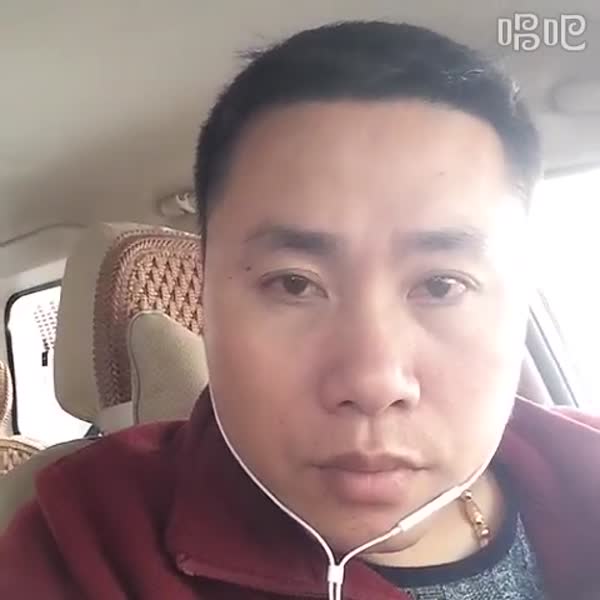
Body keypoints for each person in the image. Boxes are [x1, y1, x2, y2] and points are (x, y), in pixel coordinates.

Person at [1, 20, 599, 600]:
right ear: (204, 294)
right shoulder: (88, 547)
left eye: (442, 285)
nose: (372, 383)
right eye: (293, 284)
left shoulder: (586, 469)